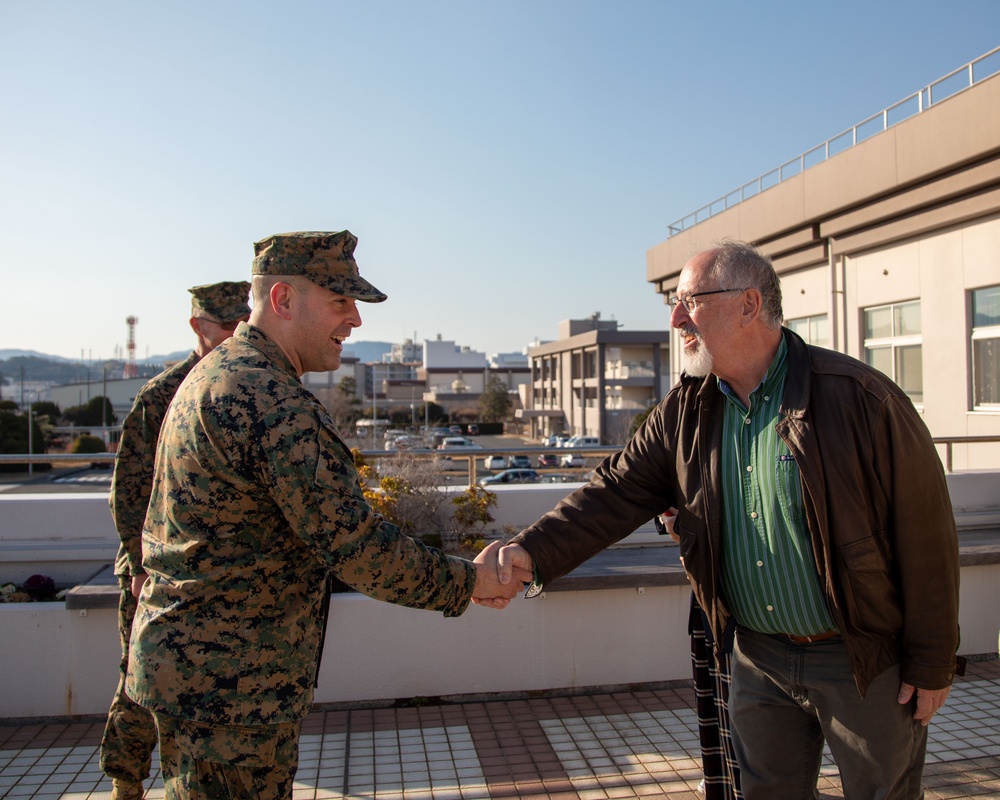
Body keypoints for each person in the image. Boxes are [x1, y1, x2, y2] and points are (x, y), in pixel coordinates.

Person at [492, 239, 963, 799]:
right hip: (756, 658)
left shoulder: (860, 399)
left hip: (861, 658)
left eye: (690, 301)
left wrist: (931, 663)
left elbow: (927, 536)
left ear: (748, 304)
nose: (675, 319)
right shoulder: (685, 409)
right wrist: (529, 551)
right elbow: (614, 490)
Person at [125, 230, 528, 800]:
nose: (356, 320)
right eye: (341, 301)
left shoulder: (216, 375)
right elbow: (356, 547)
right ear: (283, 300)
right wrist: (470, 582)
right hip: (230, 687)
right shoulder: (268, 400)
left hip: (198, 673)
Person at [100, 280, 251, 800]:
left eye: (242, 324)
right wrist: (140, 566)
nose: (236, 335)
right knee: (140, 679)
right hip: (156, 565)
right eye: (226, 326)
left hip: (210, 568)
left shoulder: (243, 386)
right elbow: (129, 491)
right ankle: (126, 780)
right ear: (198, 327)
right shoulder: (162, 395)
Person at [656, 510, 741, 800]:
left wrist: (681, 524)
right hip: (710, 596)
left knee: (748, 723)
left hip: (744, 603)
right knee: (718, 710)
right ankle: (721, 782)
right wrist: (672, 520)